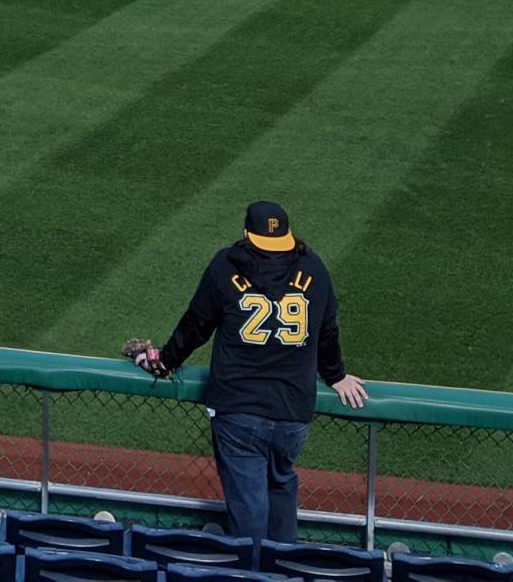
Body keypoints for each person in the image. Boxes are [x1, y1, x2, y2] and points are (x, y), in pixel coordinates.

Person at [133, 202, 368, 545]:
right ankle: (283, 566)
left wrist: (164, 362)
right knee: (281, 483)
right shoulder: (314, 269)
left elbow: (195, 326)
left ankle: (252, 569)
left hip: (238, 411)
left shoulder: (225, 265)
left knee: (249, 509)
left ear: (246, 234)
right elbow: (326, 330)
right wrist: (335, 375)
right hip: (292, 414)